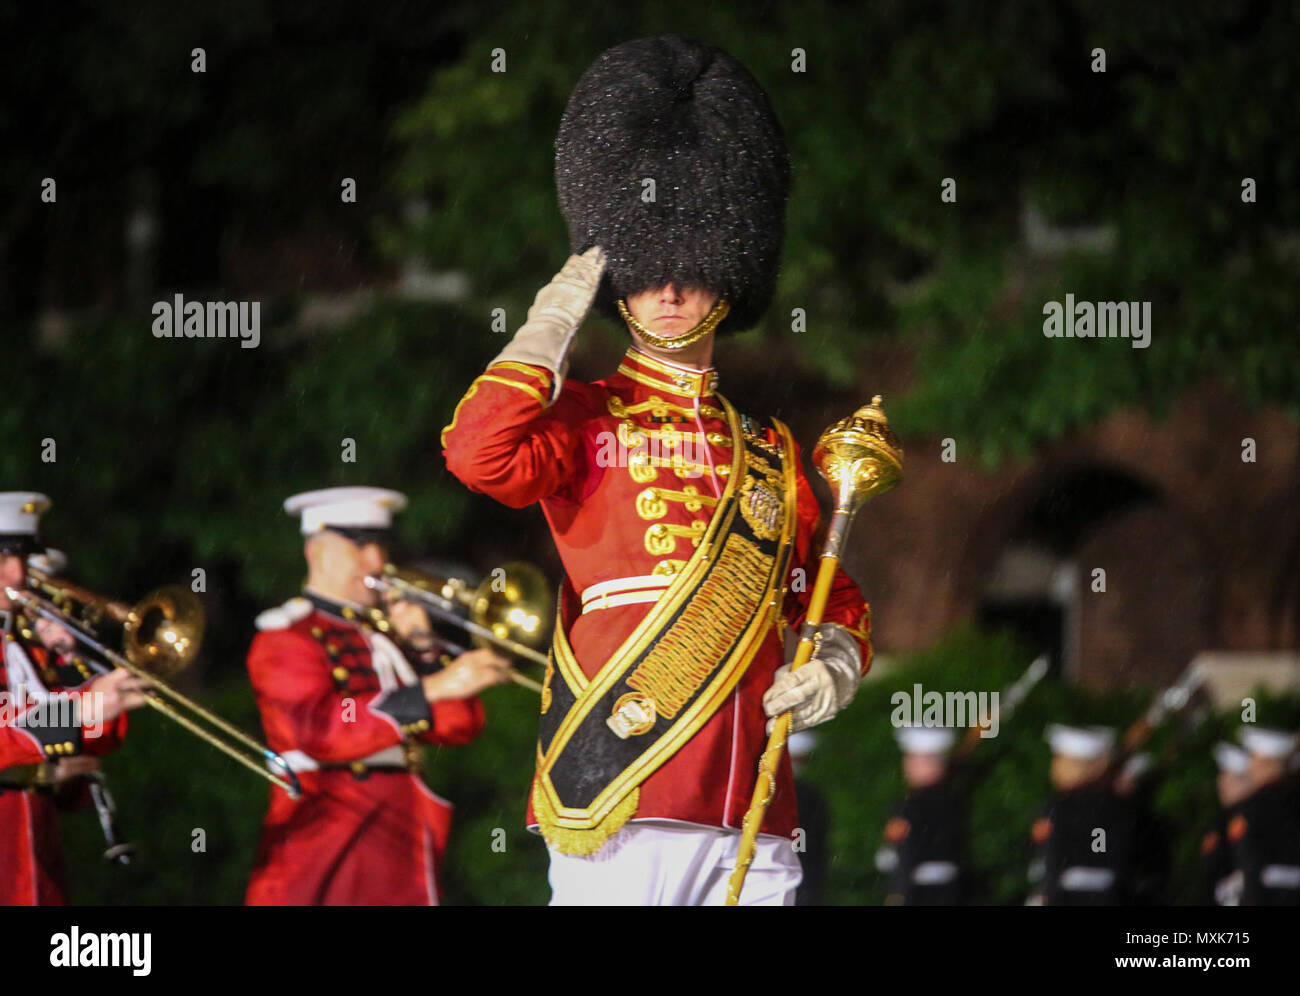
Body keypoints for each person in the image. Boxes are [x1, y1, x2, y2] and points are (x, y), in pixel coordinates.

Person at [443, 35, 873, 906]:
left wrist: (835, 657)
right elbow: (477, 453)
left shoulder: (770, 448)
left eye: (691, 270)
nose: (668, 289)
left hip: (748, 781)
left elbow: (824, 592)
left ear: (728, 281)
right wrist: (547, 327)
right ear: (621, 288)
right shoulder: (585, 413)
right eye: (643, 274)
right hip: (623, 770)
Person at [244, 487, 510, 906]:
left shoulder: (382, 635)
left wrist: (424, 650)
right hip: (328, 834)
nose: (378, 563)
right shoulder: (285, 635)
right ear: (317, 553)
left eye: (380, 547)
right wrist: (434, 687)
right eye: (360, 547)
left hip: (400, 829)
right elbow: (320, 732)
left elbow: (460, 726)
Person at [0, 492, 148, 904]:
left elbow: (88, 743)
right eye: (1, 560)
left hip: (33, 852)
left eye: (21, 559)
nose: (16, 576)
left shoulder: (18, 644)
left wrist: (81, 664)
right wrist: (77, 711)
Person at [1027, 724, 1138, 905]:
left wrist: (1048, 893)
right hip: (1108, 896)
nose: (1054, 767)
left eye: (1060, 759)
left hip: (1066, 897)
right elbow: (1105, 850)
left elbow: (1052, 855)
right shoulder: (1116, 806)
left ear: (1075, 766)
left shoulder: (1059, 806)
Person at [876, 727, 967, 905]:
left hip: (917, 892)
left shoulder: (909, 805)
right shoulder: (953, 798)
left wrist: (897, 893)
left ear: (928, 763)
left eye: (913, 758)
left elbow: (906, 851)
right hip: (951, 891)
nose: (907, 764)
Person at [1227, 726, 1300, 905]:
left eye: (1253, 757)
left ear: (1266, 763)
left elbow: (1251, 862)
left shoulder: (1254, 806)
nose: (1249, 766)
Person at [1200, 741, 1251, 905]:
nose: (1223, 783)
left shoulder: (1256, 818)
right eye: (1222, 776)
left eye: (1232, 778)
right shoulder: (1221, 820)